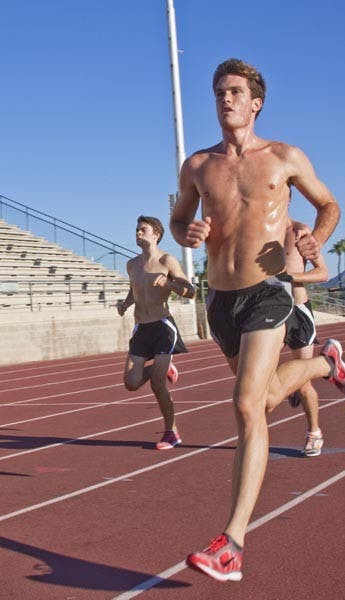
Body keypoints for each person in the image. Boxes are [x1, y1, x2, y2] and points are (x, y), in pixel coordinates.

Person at [169, 58, 343, 582]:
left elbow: (329, 204)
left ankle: (233, 542)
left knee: (246, 405)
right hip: (220, 301)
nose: (226, 99)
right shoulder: (198, 166)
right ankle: (325, 362)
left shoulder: (284, 157)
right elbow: (179, 218)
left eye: (235, 92)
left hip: (268, 291)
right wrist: (186, 235)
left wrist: (315, 239)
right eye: (219, 91)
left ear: (255, 102)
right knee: (264, 399)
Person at [117, 215, 195, 450]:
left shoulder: (167, 260)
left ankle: (171, 431)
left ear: (155, 234)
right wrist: (125, 304)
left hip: (162, 326)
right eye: (137, 229)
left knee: (157, 384)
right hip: (141, 328)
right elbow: (134, 291)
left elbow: (190, 291)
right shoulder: (132, 265)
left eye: (143, 229)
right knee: (131, 383)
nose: (138, 233)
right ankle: (163, 368)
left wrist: (170, 285)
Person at [266, 217, 328, 457]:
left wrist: (290, 277)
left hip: (297, 311)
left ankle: (314, 432)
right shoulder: (258, 227)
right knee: (261, 378)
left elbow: (322, 273)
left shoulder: (300, 232)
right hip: (268, 311)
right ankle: (286, 386)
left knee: (303, 384)